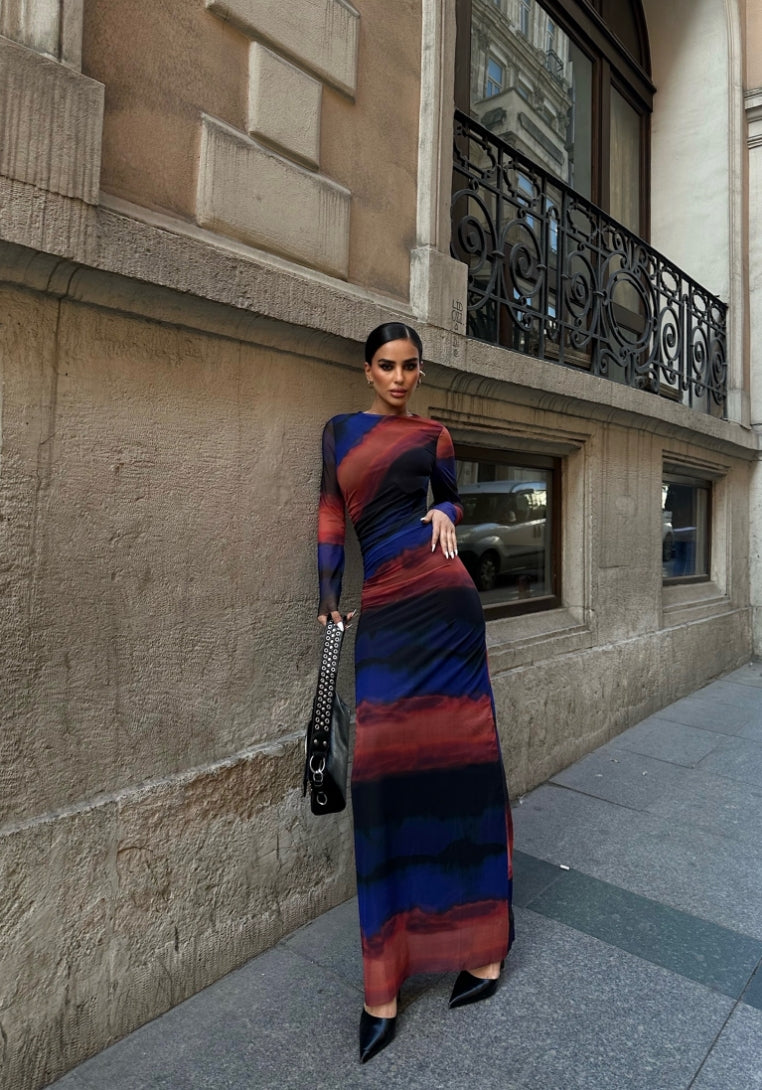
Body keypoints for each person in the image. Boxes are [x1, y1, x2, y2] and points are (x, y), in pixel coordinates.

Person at [317, 322, 514, 1064]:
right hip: (385, 614)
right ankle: (384, 982)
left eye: (409, 366)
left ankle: (482, 951)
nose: (399, 377)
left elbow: (456, 503)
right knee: (381, 781)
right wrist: (327, 593)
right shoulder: (340, 432)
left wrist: (443, 511)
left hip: (446, 606)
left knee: (465, 770)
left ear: (419, 372)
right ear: (367, 370)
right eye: (387, 366)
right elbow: (331, 511)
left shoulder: (434, 435)